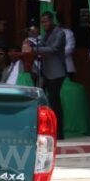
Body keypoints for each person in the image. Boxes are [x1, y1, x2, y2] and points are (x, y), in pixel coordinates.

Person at [27, 11, 68, 139]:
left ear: (52, 20)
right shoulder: (46, 33)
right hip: (46, 71)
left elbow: (54, 49)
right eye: (42, 22)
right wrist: (32, 43)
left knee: (55, 101)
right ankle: (47, 129)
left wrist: (34, 49)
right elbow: (44, 46)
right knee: (46, 100)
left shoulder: (60, 32)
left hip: (57, 72)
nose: (44, 24)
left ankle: (59, 132)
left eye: (46, 21)